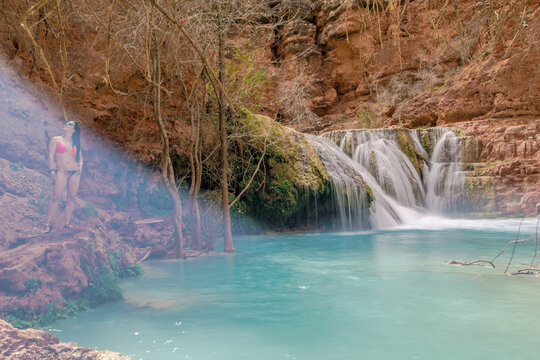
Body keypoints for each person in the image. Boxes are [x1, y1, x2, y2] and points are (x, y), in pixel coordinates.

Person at [44, 120, 83, 233]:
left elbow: (80, 158)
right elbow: (50, 156)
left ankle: (66, 223)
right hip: (61, 171)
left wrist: (81, 165)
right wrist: (52, 169)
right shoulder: (56, 140)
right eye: (66, 122)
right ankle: (47, 224)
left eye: (70, 124)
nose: (66, 124)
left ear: (74, 130)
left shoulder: (75, 142)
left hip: (75, 172)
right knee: (55, 197)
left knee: (71, 198)